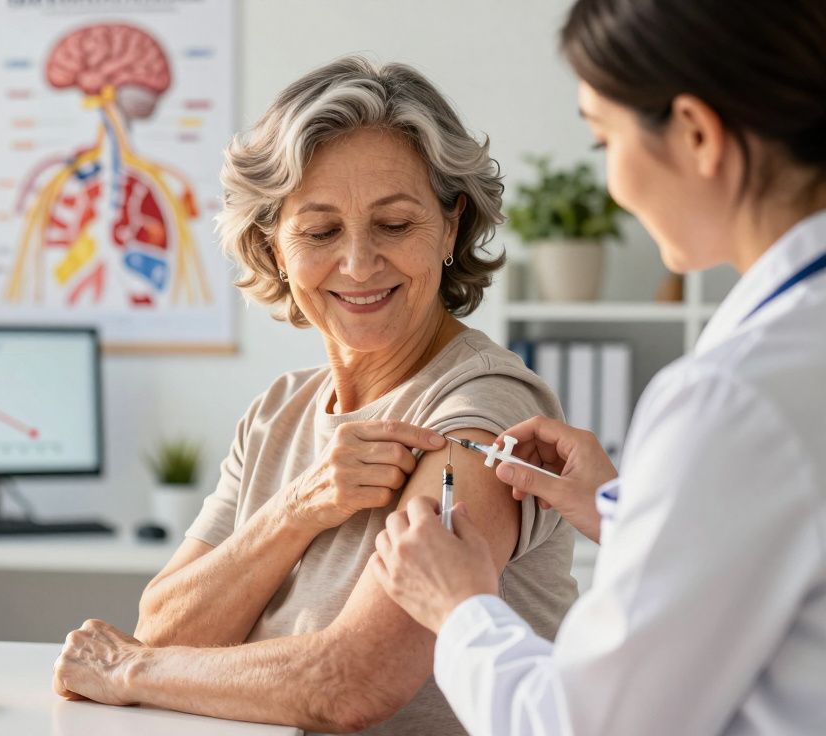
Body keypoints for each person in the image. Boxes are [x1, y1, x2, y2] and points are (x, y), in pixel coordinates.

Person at [52, 57, 579, 734]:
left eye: (394, 225)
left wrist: (124, 673)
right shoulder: (279, 412)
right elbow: (164, 628)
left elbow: (352, 683)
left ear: (450, 227)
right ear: (273, 246)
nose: (359, 264)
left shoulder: (483, 407)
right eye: (321, 231)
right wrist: (298, 508)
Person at [371, 1, 826, 734]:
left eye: (601, 139)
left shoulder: (732, 399)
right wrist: (626, 512)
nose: (612, 183)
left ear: (697, 134)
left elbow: (583, 724)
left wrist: (458, 608)